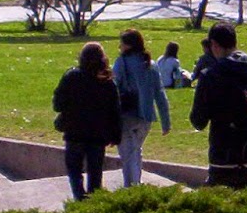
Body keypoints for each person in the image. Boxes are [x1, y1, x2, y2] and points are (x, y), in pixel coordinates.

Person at [189, 22, 247, 191]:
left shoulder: (211, 75)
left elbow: (198, 121)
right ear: (235, 41)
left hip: (225, 159)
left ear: (213, 45)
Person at [52, 42, 121, 201]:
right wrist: (115, 135)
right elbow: (115, 111)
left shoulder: (72, 76)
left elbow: (58, 105)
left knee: (74, 171)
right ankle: (94, 203)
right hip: (98, 134)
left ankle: (79, 199)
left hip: (74, 132)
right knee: (95, 173)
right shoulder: (107, 81)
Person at [113, 28, 170, 188]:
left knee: (127, 154)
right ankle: (136, 184)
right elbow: (160, 95)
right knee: (136, 150)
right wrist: (166, 122)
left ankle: (131, 187)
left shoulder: (121, 62)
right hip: (146, 116)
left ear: (128, 46)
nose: (120, 47)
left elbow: (114, 88)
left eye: (121, 44)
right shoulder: (150, 65)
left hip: (126, 115)